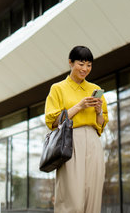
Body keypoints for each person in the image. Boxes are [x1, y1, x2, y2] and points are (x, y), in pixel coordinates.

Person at [45, 45, 108, 213]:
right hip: (70, 141)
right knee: (71, 196)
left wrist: (98, 111)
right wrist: (79, 106)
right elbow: (53, 121)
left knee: (92, 194)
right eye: (81, 64)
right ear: (70, 63)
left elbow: (101, 125)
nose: (85, 69)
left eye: (89, 65)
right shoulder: (58, 88)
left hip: (93, 141)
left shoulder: (94, 89)